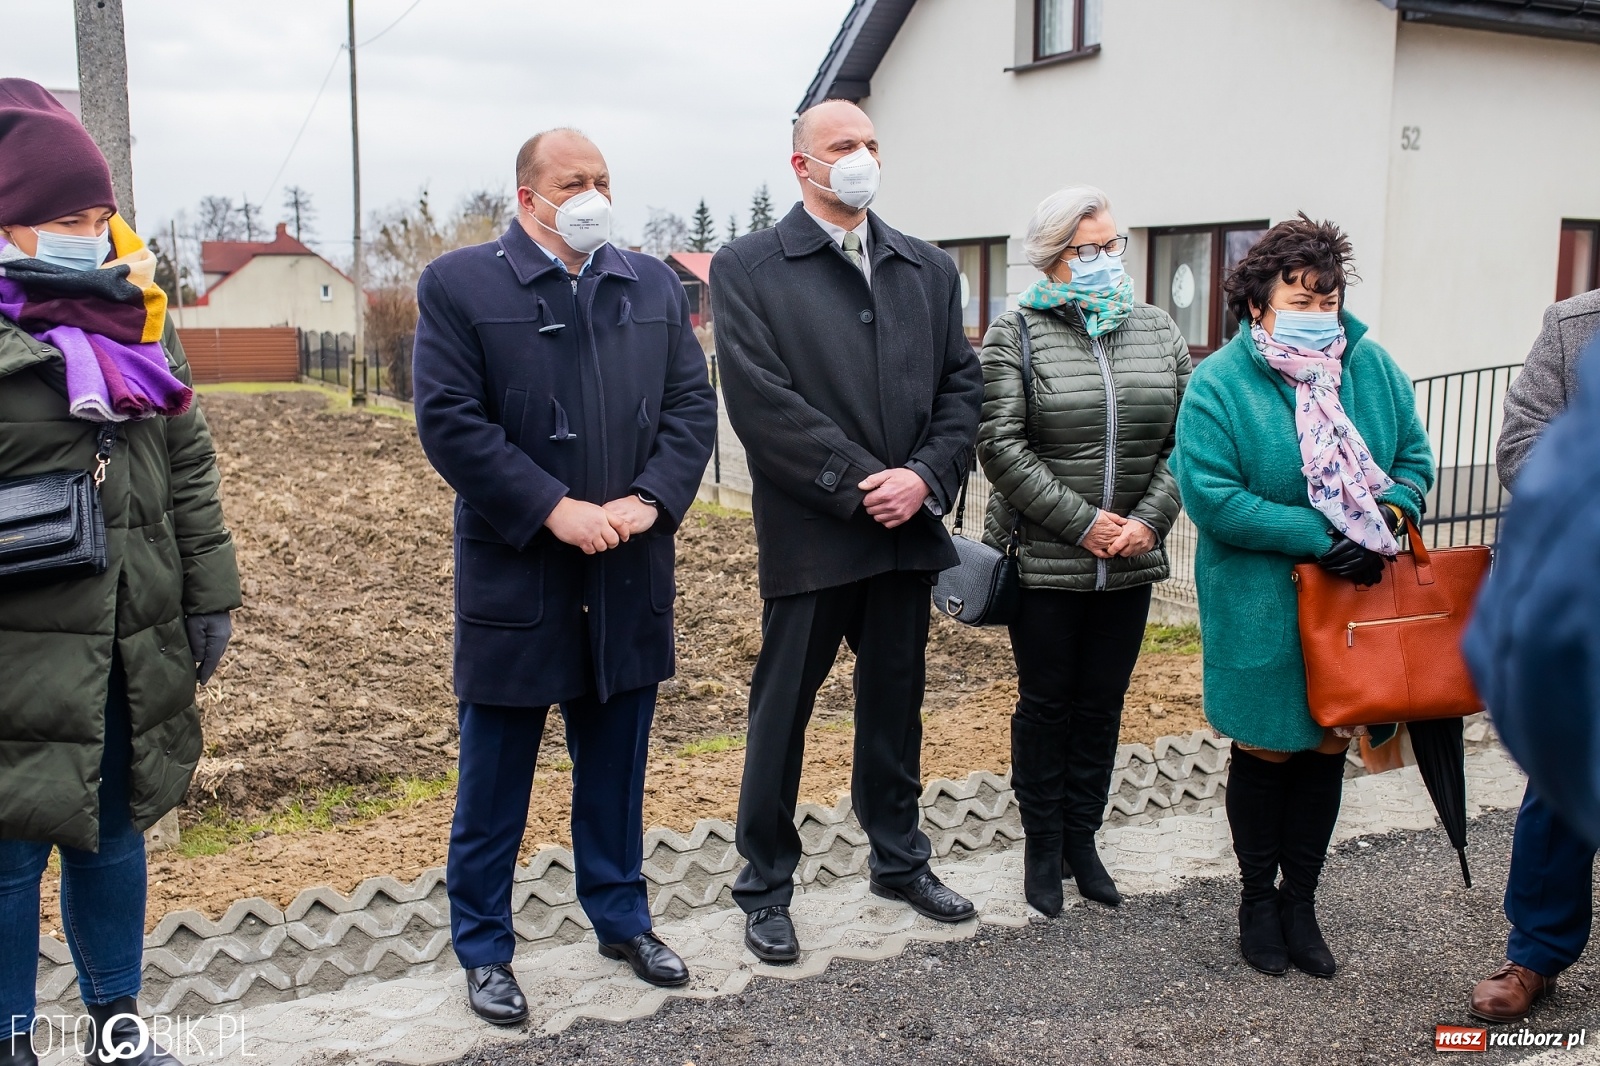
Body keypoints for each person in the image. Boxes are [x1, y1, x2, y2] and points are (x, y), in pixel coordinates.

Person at [412, 128, 717, 1024]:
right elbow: (450, 421)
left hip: (628, 570)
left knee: (616, 770)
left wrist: (650, 501)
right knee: (494, 781)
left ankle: (622, 919)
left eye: (603, 180)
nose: (591, 195)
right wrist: (553, 507)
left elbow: (692, 406)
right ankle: (484, 948)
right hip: (520, 579)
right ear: (527, 198)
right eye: (572, 181)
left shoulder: (651, 282)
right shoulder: (461, 285)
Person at [711, 99, 984, 963]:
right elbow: (760, 402)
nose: (861, 156)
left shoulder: (926, 268)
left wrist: (928, 475)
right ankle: (764, 887)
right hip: (814, 534)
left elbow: (960, 390)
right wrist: (866, 483)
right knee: (781, 712)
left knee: (894, 710)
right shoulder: (750, 265)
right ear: (802, 165)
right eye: (842, 145)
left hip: (905, 535)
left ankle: (899, 862)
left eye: (870, 143)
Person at [0, 80, 239, 1066]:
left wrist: (209, 589)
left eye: (100, 217)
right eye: (65, 220)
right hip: (16, 645)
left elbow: (188, 461)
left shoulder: (139, 314)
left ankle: (118, 1025)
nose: (92, 237)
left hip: (122, 626)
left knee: (114, 832)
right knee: (9, 854)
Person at [1171, 214, 1434, 979]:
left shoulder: (1372, 369)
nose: (1318, 314)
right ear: (1258, 303)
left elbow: (1414, 460)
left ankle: (1302, 901)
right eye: (1300, 298)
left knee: (1325, 744)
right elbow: (1213, 496)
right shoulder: (1221, 382)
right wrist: (1323, 534)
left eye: (1328, 299)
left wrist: (1391, 510)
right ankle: (1257, 900)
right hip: (1261, 600)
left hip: (1353, 603)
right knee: (1265, 745)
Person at [976, 187, 1189, 916]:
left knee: (1102, 705)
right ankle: (1042, 844)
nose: (1104, 261)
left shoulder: (1157, 330)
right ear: (1052, 258)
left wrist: (1148, 524)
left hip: (1130, 560)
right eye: (1086, 250)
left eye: (1113, 245)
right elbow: (999, 446)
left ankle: (1083, 839)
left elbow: (1184, 444)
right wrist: (1084, 524)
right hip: (1046, 563)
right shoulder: (1017, 332)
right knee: (1046, 706)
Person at [1461, 290, 1600, 1023]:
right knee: (1562, 776)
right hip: (1588, 589)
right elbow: (1521, 445)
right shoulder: (1576, 325)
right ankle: (1536, 951)